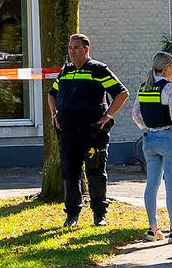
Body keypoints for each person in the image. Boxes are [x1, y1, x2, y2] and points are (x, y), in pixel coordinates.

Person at [47, 33, 129, 227]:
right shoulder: (65, 71)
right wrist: (54, 114)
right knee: (70, 173)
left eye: (76, 48)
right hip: (68, 133)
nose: (72, 51)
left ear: (86, 49)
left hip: (93, 133)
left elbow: (121, 93)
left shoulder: (98, 70)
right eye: (69, 48)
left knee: (96, 172)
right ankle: (72, 214)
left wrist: (108, 115)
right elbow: (51, 94)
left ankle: (99, 214)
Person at [130, 52, 172, 244]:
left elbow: (135, 114)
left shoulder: (144, 86)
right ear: (166, 68)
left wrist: (147, 128)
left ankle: (153, 228)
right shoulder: (170, 87)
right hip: (168, 138)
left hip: (149, 139)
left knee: (152, 184)